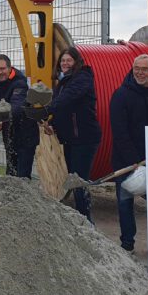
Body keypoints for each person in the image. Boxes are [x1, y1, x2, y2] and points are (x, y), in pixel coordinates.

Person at [109, 54, 148, 251]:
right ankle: (127, 244)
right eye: (137, 68)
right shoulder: (121, 95)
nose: (140, 72)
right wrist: (134, 161)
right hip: (126, 162)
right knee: (126, 204)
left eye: (145, 69)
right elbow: (119, 132)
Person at [47, 47, 101, 221]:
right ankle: (77, 218)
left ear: (77, 62)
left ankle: (86, 220)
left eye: (69, 60)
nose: (65, 63)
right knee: (72, 177)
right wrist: (51, 122)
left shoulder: (83, 78)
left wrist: (46, 109)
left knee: (79, 180)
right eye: (62, 60)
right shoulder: (63, 82)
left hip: (84, 138)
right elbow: (62, 108)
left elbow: (67, 99)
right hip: (70, 139)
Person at [0, 54, 39, 178]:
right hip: (10, 138)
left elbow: (16, 108)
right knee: (11, 176)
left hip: (25, 139)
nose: (0, 72)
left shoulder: (20, 84)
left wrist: (2, 120)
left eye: (2, 68)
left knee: (22, 178)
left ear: (9, 67)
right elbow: (0, 109)